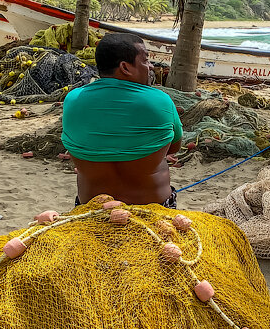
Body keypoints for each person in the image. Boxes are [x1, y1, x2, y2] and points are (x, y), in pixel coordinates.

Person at [62, 33, 183, 207]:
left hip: (91, 208)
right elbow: (174, 147)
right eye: (145, 60)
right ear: (125, 67)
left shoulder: (73, 99)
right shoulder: (160, 100)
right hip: (154, 208)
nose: (150, 66)